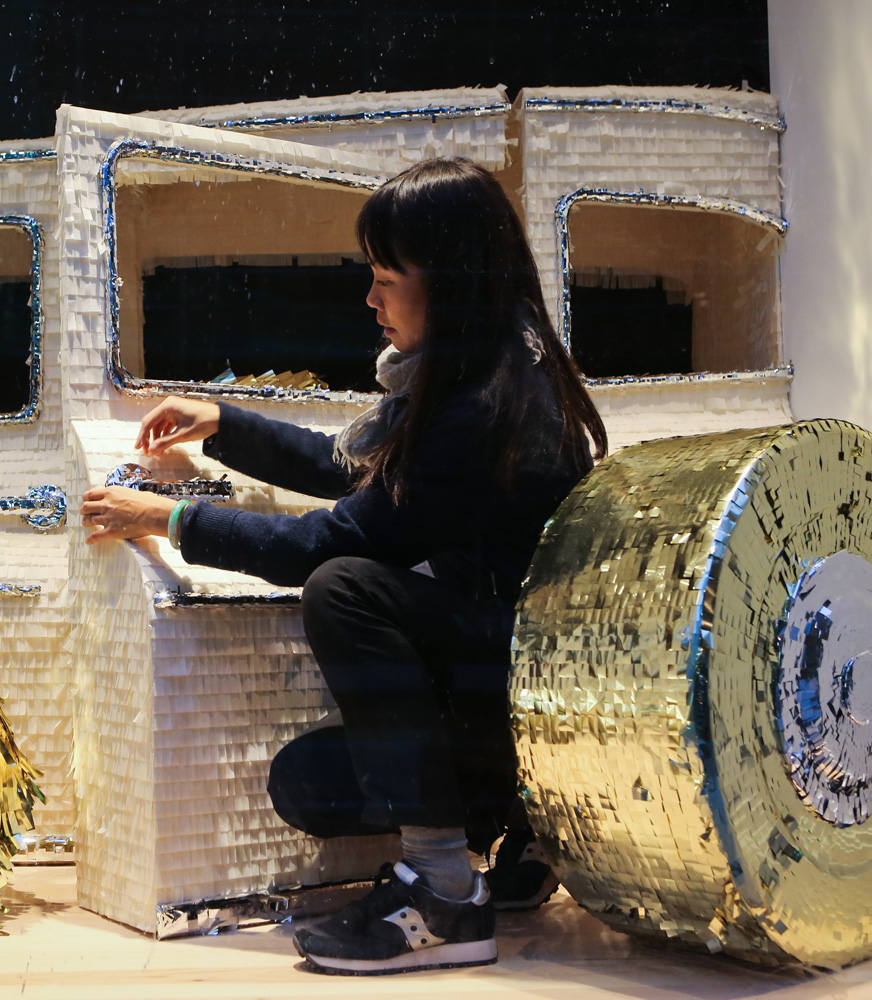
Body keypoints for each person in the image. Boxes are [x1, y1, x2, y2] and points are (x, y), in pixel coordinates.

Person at [79, 156, 606, 976]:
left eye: (387, 279)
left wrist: (169, 518)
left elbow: (323, 546)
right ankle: (515, 815)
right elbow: (347, 465)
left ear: (451, 285)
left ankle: (444, 894)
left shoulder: (482, 410)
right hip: (506, 677)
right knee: (308, 784)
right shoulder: (494, 364)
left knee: (346, 589)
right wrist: (222, 423)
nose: (370, 299)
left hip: (515, 685)